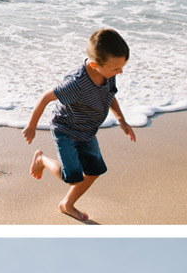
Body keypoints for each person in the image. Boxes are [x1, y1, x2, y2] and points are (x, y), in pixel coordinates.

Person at [24, 22, 135, 221]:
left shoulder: (107, 74)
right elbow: (45, 98)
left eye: (121, 67)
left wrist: (121, 119)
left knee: (95, 171)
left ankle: (67, 204)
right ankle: (41, 159)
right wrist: (31, 126)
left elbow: (109, 96)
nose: (120, 72)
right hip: (65, 128)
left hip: (87, 130)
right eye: (116, 68)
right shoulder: (76, 84)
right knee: (72, 176)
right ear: (95, 65)